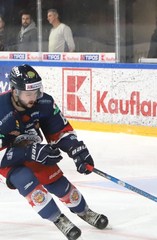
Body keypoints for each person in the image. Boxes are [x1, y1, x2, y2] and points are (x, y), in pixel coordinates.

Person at [0, 64, 108, 239]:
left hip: (34, 149)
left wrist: (75, 149)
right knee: (25, 180)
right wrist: (28, 152)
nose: (33, 97)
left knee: (56, 181)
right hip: (6, 158)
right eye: (28, 93)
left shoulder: (44, 102)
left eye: (36, 92)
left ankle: (84, 211)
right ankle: (58, 219)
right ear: (14, 91)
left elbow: (60, 131)